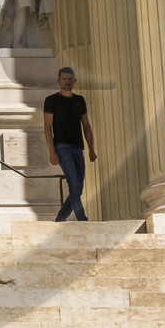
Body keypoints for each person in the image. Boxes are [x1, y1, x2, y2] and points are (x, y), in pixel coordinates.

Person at [44, 65, 97, 222]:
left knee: (78, 188)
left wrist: (91, 149)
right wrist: (51, 152)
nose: (67, 82)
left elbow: (86, 126)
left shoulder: (80, 100)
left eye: (70, 79)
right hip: (61, 147)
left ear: (74, 81)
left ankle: (60, 218)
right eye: (64, 79)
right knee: (74, 185)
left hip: (77, 148)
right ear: (58, 80)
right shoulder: (51, 100)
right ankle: (82, 218)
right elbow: (47, 127)